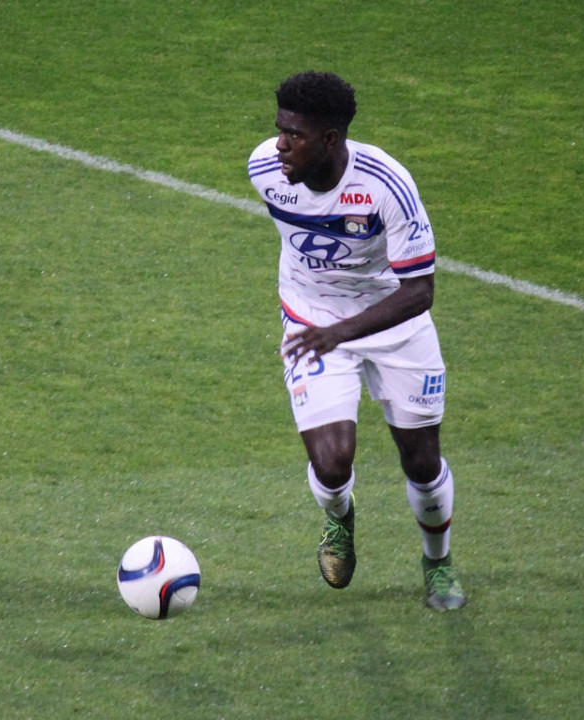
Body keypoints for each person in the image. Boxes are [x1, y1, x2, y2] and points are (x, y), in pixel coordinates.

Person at [248, 71, 465, 610]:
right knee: (330, 463)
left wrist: (339, 333)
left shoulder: (387, 185)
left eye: (293, 135)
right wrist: (322, 330)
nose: (279, 145)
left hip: (394, 323)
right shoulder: (264, 171)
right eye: (278, 130)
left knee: (421, 460)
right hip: (311, 319)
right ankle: (339, 517)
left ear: (330, 140)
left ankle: (437, 563)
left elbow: (420, 291)